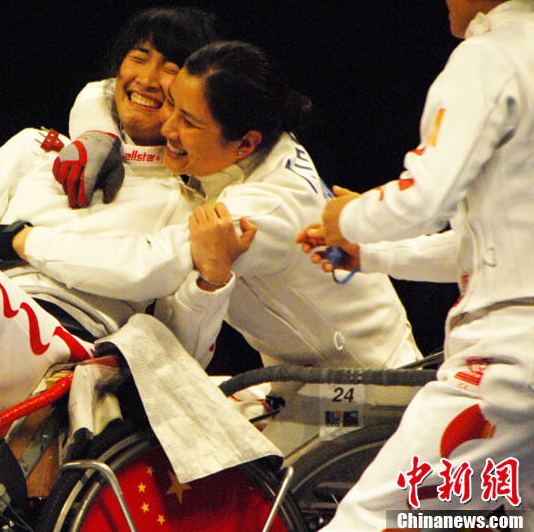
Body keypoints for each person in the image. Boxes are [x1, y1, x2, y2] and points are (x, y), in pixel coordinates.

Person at [0, 7, 254, 531]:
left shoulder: (195, 199)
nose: (148, 79)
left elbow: (181, 351)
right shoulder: (36, 149)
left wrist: (212, 281)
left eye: (170, 67)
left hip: (68, 352)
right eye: (139, 56)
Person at [297, 0, 534, 527]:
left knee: (371, 518)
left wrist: (346, 217)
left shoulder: (489, 57)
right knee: (493, 519)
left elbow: (424, 198)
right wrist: (371, 255)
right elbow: (484, 246)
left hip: (509, 367)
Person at [21, 40, 422, 371]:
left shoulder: (266, 209)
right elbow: (103, 92)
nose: (167, 127)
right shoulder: (248, 123)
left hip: (366, 383)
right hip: (293, 382)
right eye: (171, 104)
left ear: (244, 143)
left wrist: (25, 242)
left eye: (188, 121)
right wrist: (97, 134)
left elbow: (146, 267)